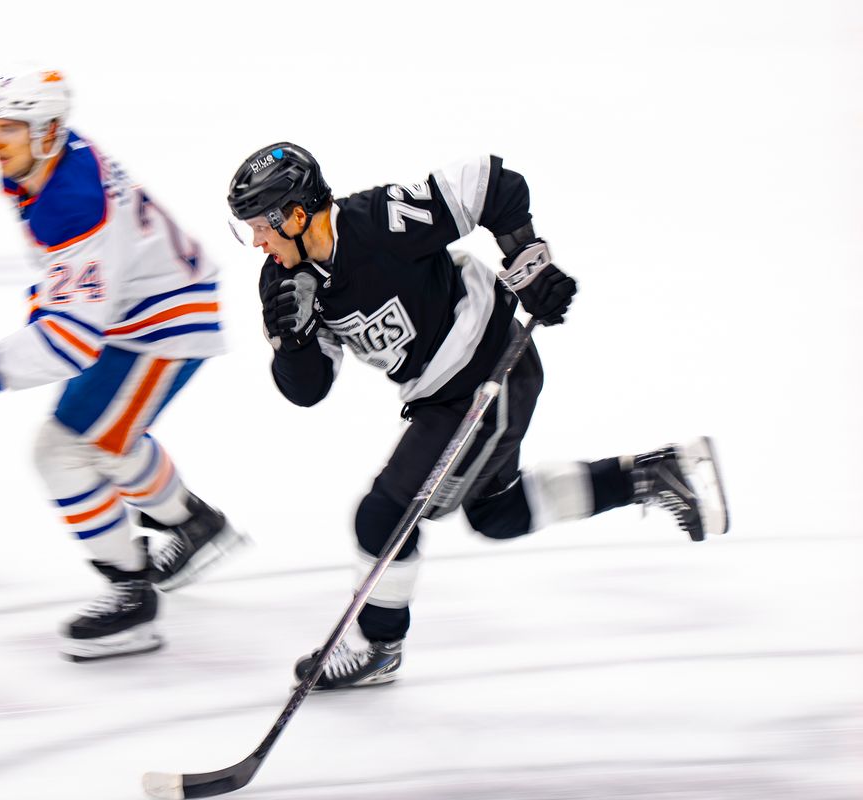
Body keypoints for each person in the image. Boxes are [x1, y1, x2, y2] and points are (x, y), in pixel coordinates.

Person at [226, 142, 728, 690]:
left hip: (489, 370)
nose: (258, 242)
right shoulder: (283, 284)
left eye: (261, 226)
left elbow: (491, 183)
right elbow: (308, 390)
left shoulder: (377, 221)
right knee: (498, 513)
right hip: (445, 396)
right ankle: (653, 475)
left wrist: (528, 261)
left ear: (298, 215)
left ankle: (378, 644)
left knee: (385, 514)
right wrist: (294, 343)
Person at [0, 70, 246, 662]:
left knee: (63, 451)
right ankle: (194, 526)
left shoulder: (71, 198)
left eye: (11, 128)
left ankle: (131, 596)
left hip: (162, 323)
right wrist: (35, 319)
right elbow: (73, 284)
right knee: (108, 442)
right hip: (140, 308)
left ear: (48, 131)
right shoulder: (47, 166)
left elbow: (69, 343)